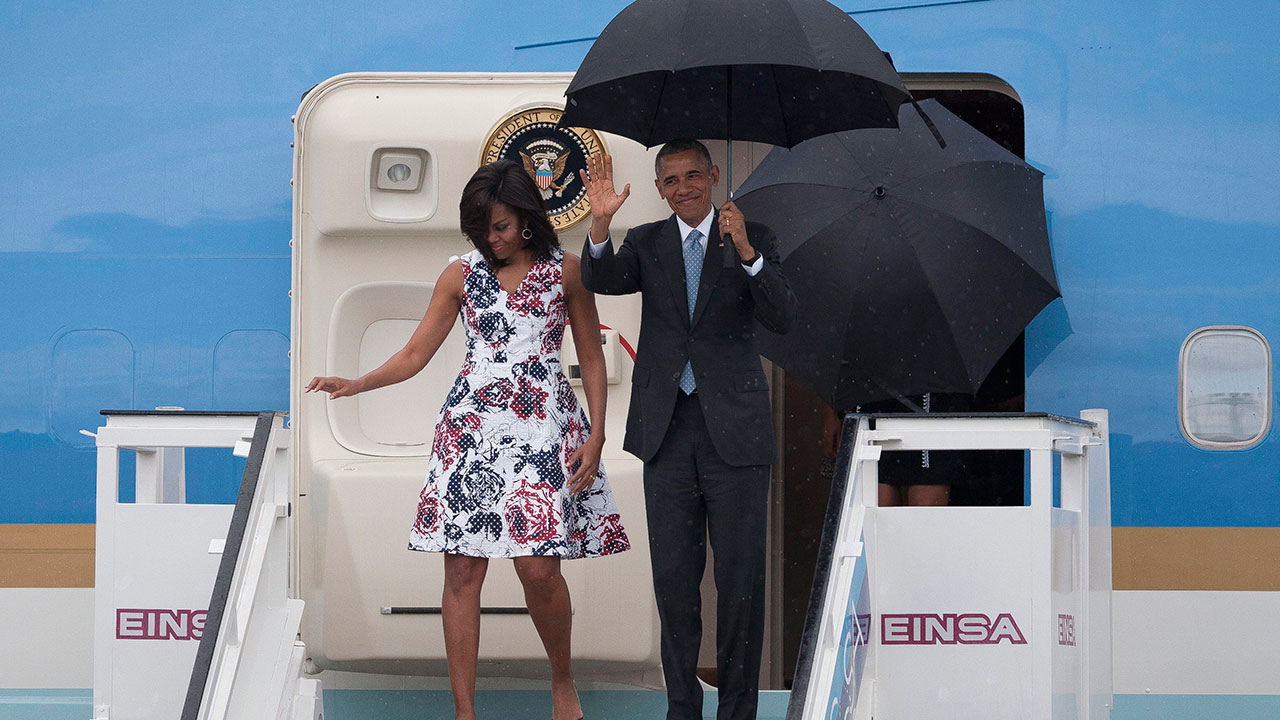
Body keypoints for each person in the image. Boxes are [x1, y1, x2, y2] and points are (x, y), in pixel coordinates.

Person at [306, 159, 629, 720]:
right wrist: (357, 383)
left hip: (543, 429)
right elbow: (415, 353)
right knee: (462, 572)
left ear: (526, 218)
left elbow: (592, 357)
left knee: (538, 569)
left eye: (500, 226)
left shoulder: (568, 272)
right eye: (480, 228)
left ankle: (562, 680)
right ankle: (465, 712)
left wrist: (597, 435)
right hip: (470, 432)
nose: (490, 238)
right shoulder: (459, 275)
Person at [578, 140, 796, 720]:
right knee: (674, 582)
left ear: (714, 175)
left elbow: (782, 314)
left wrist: (745, 250)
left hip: (736, 434)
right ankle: (682, 708)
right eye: (670, 181)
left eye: (693, 176)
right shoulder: (646, 240)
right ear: (659, 189)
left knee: (740, 582)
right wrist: (599, 224)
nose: (683, 189)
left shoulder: (752, 235)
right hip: (667, 432)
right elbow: (602, 278)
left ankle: (739, 711)